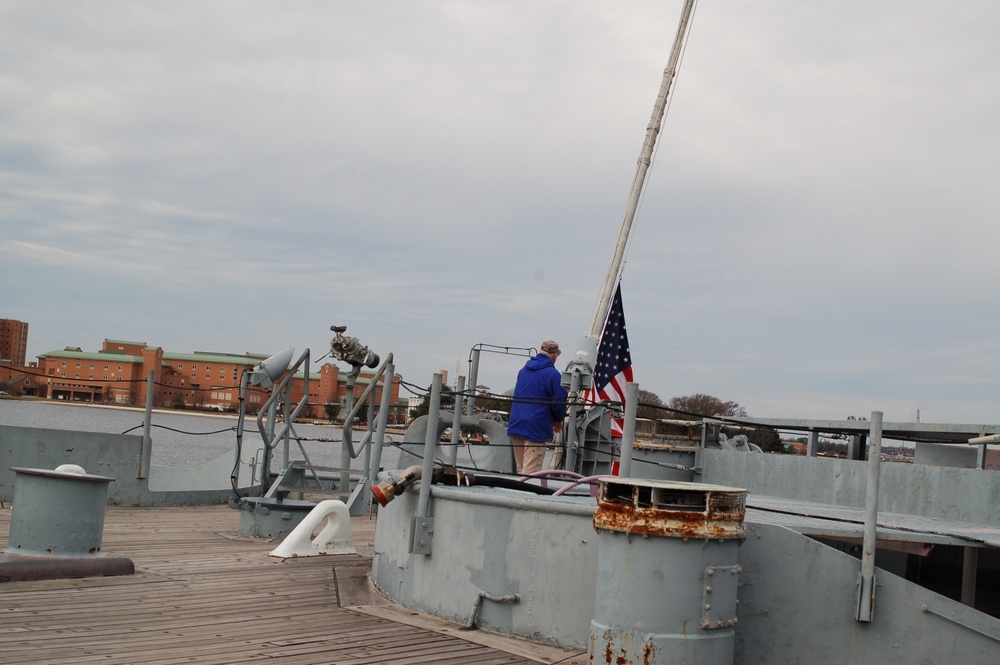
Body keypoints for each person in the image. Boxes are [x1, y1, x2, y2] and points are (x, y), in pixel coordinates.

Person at [507, 340, 568, 474]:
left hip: (516, 424)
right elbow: (559, 401)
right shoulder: (553, 375)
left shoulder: (523, 371)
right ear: (555, 357)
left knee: (521, 468)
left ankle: (517, 492)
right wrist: (558, 420)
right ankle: (526, 495)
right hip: (535, 428)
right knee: (530, 473)